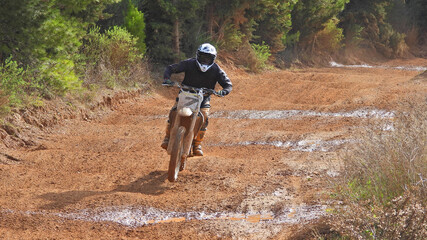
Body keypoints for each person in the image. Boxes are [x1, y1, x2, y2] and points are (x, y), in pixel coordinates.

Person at [161, 43, 233, 156]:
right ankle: (167, 137)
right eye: (203, 57)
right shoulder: (189, 63)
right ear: (198, 55)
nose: (205, 60)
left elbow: (228, 84)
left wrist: (223, 91)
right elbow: (171, 68)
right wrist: (167, 79)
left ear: (213, 59)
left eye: (208, 58)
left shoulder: (216, 69)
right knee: (173, 112)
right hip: (185, 93)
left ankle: (197, 144)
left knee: (204, 117)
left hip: (203, 98)